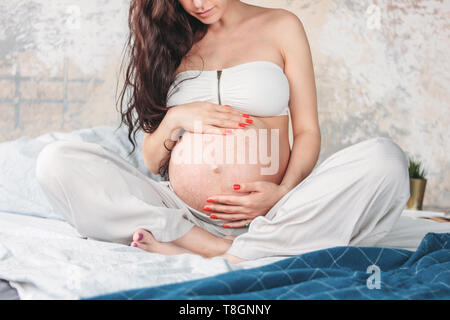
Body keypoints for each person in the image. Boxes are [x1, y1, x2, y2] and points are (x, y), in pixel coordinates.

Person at [35, 0, 410, 264]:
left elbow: (308, 131)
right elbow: (151, 160)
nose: (198, 4)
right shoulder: (170, 41)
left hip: (274, 211)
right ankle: (218, 248)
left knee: (384, 159)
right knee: (58, 161)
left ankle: (241, 246)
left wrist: (281, 193)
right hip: (182, 213)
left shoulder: (282, 25)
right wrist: (178, 117)